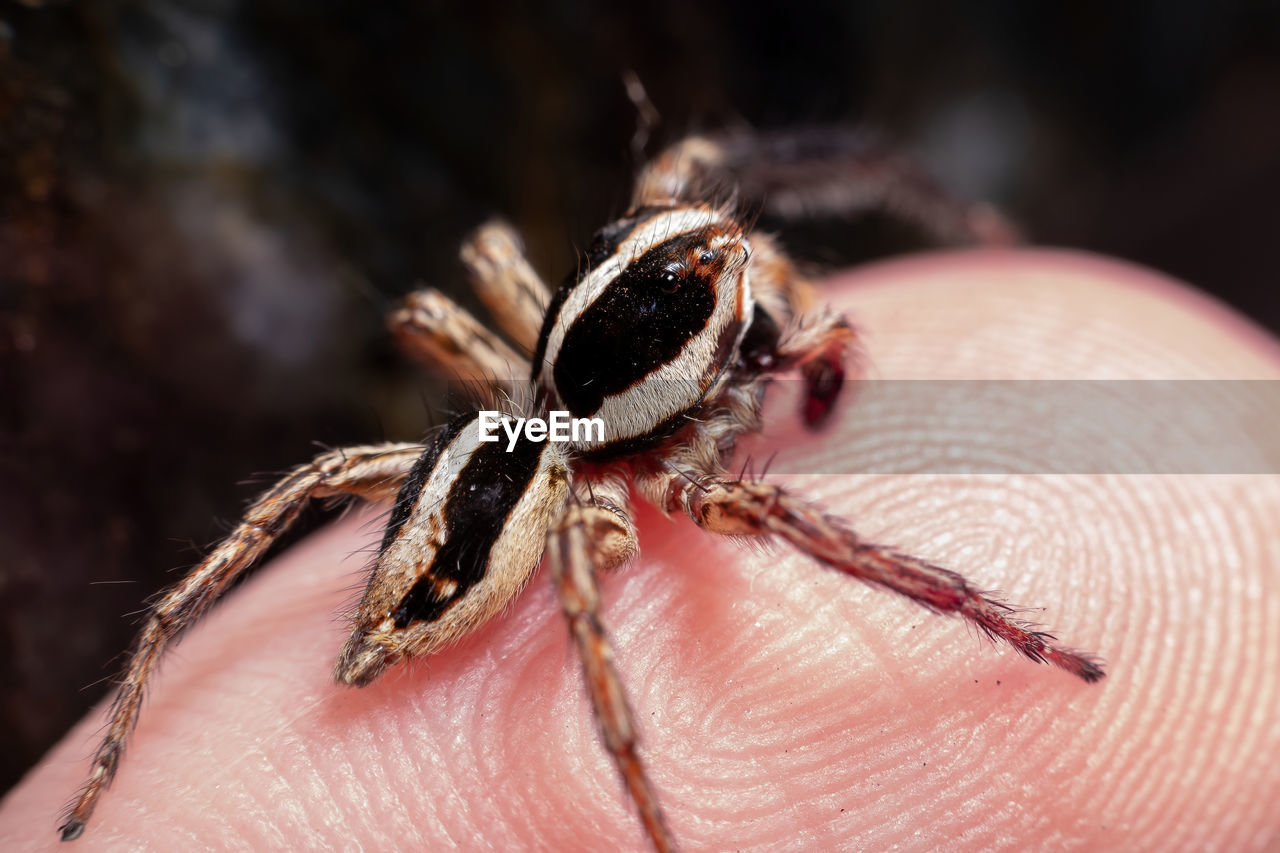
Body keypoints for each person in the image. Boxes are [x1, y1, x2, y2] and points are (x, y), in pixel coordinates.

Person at [3, 251, 1277, 850]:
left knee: (319, 478)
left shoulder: (533, 374)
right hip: (526, 493)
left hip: (527, 423)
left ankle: (129, 713)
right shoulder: (621, 479)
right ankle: (656, 818)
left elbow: (422, 306)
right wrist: (1006, 623)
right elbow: (745, 457)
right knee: (762, 516)